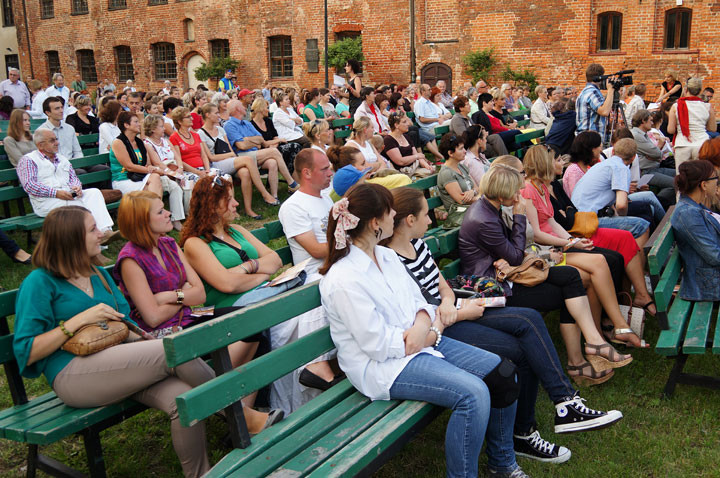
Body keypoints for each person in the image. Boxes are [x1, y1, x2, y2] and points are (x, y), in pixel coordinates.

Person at [386, 186, 623, 463]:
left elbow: (442, 286)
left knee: (530, 319)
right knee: (519, 350)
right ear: (410, 220)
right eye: (426, 215)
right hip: (442, 326)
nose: (431, 221)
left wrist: (451, 302)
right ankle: (527, 432)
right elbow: (418, 311)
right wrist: (457, 312)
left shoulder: (417, 244)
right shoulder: (392, 259)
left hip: (454, 310)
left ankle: (565, 402)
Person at [319, 183, 528, 478]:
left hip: (422, 342)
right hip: (384, 366)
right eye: (390, 210)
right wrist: (425, 334)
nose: (396, 214)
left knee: (504, 372)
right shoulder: (343, 279)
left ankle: (502, 464)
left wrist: (422, 326)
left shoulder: (386, 256)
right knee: (473, 394)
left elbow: (419, 303)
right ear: (375, 222)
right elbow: (376, 344)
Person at [13, 206, 215, 478]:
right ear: (71, 239)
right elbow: (26, 351)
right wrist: (76, 322)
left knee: (184, 398)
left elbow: (124, 322)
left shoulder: (97, 273)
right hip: (73, 375)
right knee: (173, 349)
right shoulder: (39, 282)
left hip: (120, 364)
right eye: (93, 229)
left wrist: (141, 339)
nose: (102, 234)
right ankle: (236, 412)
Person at [113, 191, 283, 431]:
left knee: (249, 321)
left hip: (192, 314)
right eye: (160, 211)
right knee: (239, 328)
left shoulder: (168, 244)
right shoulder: (130, 259)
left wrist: (171, 296)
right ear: (142, 220)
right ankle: (233, 409)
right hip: (162, 332)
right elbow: (151, 317)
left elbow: (199, 295)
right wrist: (184, 295)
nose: (169, 213)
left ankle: (241, 415)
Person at [459, 164, 633, 382]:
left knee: (571, 276)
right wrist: (519, 216)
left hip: (510, 275)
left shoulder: (489, 208)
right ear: (502, 190)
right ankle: (578, 362)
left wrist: (513, 252)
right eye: (514, 190)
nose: (518, 195)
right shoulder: (483, 218)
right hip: (496, 288)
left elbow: (513, 253)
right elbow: (514, 255)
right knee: (568, 294)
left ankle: (593, 343)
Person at [521, 146, 651, 345]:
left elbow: (553, 222)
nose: (560, 162)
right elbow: (537, 233)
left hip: (559, 243)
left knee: (608, 259)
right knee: (601, 261)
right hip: (547, 251)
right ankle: (609, 328)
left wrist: (573, 241)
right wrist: (569, 242)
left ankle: (611, 325)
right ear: (543, 163)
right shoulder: (529, 190)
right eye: (553, 159)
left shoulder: (541, 187)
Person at [181, 176, 302, 316]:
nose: (236, 203)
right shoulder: (195, 243)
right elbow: (227, 284)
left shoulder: (236, 230)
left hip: (264, 296)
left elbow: (275, 260)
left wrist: (247, 267)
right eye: (229, 199)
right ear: (212, 205)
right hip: (234, 308)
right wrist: (263, 274)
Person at [196, 103, 280, 218]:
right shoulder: (200, 133)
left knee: (245, 172)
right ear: (207, 115)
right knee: (248, 159)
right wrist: (229, 155)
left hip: (230, 161)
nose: (218, 115)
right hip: (216, 165)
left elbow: (231, 151)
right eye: (215, 113)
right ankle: (265, 193)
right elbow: (211, 157)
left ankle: (248, 209)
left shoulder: (220, 129)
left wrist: (230, 155)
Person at [571, 138, 651, 242]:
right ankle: (646, 256)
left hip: (577, 218)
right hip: (587, 221)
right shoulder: (621, 168)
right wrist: (623, 219)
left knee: (643, 213)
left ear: (613, 152)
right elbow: (621, 205)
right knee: (642, 226)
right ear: (633, 158)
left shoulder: (603, 165)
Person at [224, 100, 299, 195]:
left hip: (255, 153)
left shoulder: (246, 123)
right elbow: (241, 146)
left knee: (272, 162)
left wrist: (247, 140)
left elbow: (261, 141)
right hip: (242, 156)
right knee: (274, 152)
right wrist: (254, 142)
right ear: (238, 109)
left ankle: (274, 196)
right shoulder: (229, 125)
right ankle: (292, 183)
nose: (245, 107)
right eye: (242, 106)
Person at [671, 160, 720, 301]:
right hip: (709, 285)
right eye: (715, 179)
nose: (717, 183)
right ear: (704, 185)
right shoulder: (688, 213)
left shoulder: (693, 206)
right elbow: (714, 256)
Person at [667, 78, 717, 170]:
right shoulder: (707, 106)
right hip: (701, 144)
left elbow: (670, 130)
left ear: (686, 90)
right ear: (700, 91)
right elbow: (713, 128)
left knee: (682, 177)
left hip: (682, 144)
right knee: (700, 176)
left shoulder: (676, 106)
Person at [630, 109, 676, 208]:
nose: (652, 123)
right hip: (645, 172)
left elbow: (656, 155)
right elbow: (657, 153)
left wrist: (654, 155)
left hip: (654, 167)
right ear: (643, 121)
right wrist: (659, 146)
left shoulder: (644, 134)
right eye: (650, 120)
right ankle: (657, 205)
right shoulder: (637, 135)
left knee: (680, 175)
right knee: (675, 184)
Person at [327, 145, 410, 196]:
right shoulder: (370, 185)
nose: (367, 166)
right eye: (363, 164)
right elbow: (403, 179)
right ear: (351, 169)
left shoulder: (334, 193)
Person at [250, 98, 303, 176]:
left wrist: (274, 145)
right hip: (263, 152)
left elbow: (275, 137)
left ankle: (293, 175)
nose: (268, 110)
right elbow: (262, 144)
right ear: (260, 109)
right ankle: (292, 178)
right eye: (266, 108)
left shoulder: (268, 121)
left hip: (274, 147)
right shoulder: (251, 125)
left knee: (296, 147)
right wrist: (277, 142)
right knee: (295, 146)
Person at [382, 112, 434, 177]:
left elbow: (417, 155)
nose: (408, 124)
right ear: (396, 125)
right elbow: (400, 161)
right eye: (404, 122)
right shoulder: (389, 140)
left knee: (430, 170)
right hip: (401, 172)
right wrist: (416, 157)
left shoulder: (406, 137)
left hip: (414, 167)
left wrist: (426, 165)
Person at [437, 133, 480, 210]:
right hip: (460, 214)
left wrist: (472, 192)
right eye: (461, 149)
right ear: (450, 153)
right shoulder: (446, 173)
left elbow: (476, 188)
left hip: (472, 209)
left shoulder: (461, 166)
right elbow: (462, 200)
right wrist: (482, 200)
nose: (465, 151)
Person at [575, 64, 616, 137]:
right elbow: (605, 111)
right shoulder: (592, 92)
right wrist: (610, 89)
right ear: (599, 78)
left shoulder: (585, 92)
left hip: (586, 137)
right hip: (591, 139)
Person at [562, 131, 602, 197]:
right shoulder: (574, 171)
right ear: (592, 149)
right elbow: (577, 198)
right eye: (599, 146)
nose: (600, 150)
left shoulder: (586, 168)